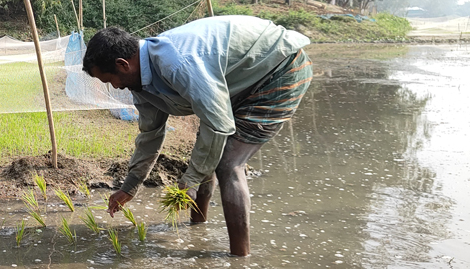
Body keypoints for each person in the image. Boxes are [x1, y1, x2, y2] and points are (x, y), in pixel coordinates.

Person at [82, 15, 312, 256]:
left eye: (110, 80)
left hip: (279, 68)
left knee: (227, 164)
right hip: (239, 82)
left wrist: (191, 179)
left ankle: (239, 259)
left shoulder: (178, 64)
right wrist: (129, 187)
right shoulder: (140, 82)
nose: (115, 87)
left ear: (122, 64)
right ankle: (197, 226)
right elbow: (150, 135)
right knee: (207, 150)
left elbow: (218, 124)